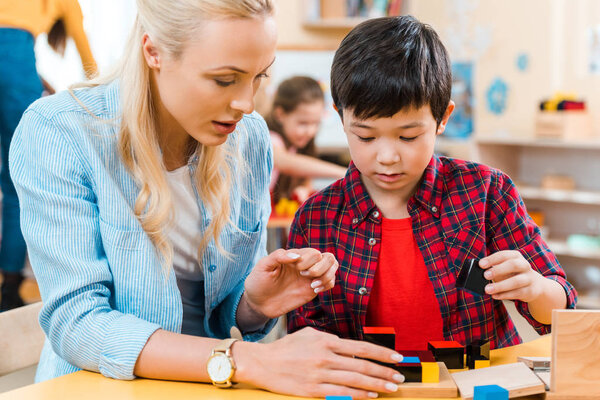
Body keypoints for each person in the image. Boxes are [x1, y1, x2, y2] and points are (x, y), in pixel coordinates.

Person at [10, 1, 407, 398]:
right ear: (154, 52)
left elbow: (221, 310)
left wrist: (253, 301)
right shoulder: (61, 131)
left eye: (258, 77)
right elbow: (78, 324)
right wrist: (247, 360)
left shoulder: (248, 138)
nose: (247, 103)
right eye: (224, 79)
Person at [287, 16, 577, 351]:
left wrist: (536, 288)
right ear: (340, 118)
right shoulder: (316, 218)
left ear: (443, 119)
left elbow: (561, 308)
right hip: (368, 387)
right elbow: (303, 334)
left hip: (473, 382)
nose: (387, 156)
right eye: (365, 136)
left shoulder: (486, 192)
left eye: (408, 136)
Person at [0, 0, 97, 311]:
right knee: (18, 180)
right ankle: (10, 289)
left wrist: (37, 80)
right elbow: (90, 66)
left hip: (17, 63)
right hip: (15, 64)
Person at [265, 76, 346, 204]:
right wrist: (343, 172)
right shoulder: (269, 138)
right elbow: (285, 162)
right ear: (280, 114)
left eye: (316, 123)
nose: (311, 131)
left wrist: (302, 189)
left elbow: (305, 182)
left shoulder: (296, 146)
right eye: (303, 123)